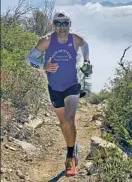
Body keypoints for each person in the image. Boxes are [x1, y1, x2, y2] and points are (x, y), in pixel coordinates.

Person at [25, 10, 92, 176]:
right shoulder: (46, 41)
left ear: (70, 25)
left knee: (69, 120)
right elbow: (29, 58)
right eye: (58, 23)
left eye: (65, 23)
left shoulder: (75, 39)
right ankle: (73, 144)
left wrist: (87, 61)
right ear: (53, 25)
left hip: (72, 85)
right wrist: (43, 67)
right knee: (63, 124)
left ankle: (70, 157)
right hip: (54, 87)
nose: (62, 27)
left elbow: (85, 45)